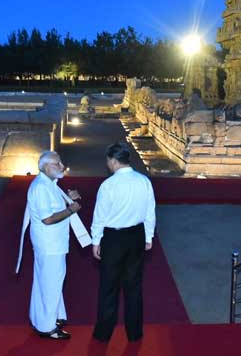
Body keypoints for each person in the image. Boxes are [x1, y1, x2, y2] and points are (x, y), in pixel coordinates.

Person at [90, 142, 156, 343]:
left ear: (112, 160)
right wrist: (148, 237)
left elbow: (100, 216)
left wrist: (96, 240)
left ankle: (103, 333)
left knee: (109, 287)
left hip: (114, 238)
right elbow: (149, 211)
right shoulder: (144, 181)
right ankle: (135, 333)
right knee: (133, 286)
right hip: (136, 236)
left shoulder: (108, 185)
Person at [25, 151, 81, 339]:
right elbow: (47, 219)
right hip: (50, 244)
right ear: (47, 167)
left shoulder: (48, 184)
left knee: (48, 281)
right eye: (57, 163)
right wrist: (70, 209)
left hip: (51, 243)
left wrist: (68, 198)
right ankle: (47, 327)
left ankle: (50, 317)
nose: (62, 165)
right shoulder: (41, 187)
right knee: (50, 283)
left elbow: (52, 205)